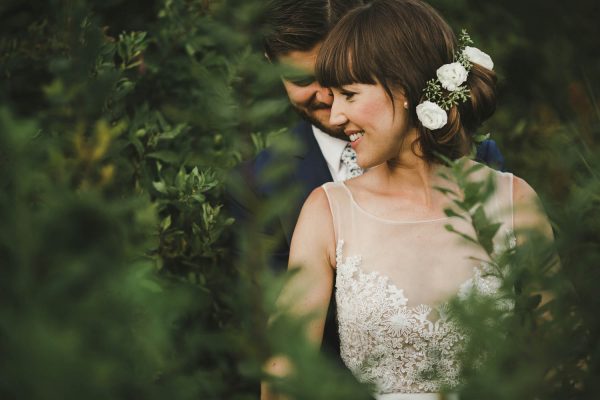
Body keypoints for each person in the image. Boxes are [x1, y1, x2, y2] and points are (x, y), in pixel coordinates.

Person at [262, 0, 554, 398]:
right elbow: (285, 373)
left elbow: (563, 355)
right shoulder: (326, 211)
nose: (334, 116)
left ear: (402, 89)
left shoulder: (513, 200)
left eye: (349, 94)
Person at [229, 0, 504, 371]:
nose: (327, 98)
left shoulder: (486, 168)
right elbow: (279, 348)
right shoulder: (258, 186)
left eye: (341, 82)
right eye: (301, 80)